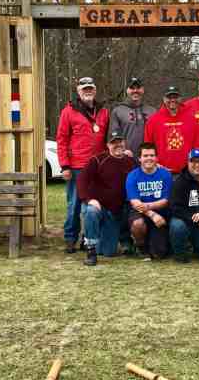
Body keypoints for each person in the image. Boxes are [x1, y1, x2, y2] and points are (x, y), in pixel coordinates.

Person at [56, 76, 110, 254]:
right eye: (84, 88)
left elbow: (108, 139)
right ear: (78, 92)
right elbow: (62, 139)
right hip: (76, 167)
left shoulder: (103, 112)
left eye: (90, 88)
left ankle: (88, 239)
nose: (88, 91)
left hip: (97, 168)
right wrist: (64, 165)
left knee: (92, 205)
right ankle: (70, 238)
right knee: (74, 205)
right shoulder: (68, 111)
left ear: (95, 90)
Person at [78, 131, 137, 266]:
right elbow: (81, 180)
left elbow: (143, 172)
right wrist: (88, 199)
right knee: (91, 211)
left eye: (120, 142)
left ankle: (107, 240)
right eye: (113, 143)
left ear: (124, 143)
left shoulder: (131, 161)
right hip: (98, 207)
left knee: (108, 252)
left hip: (114, 212)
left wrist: (157, 166)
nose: (117, 145)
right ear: (107, 145)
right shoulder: (97, 160)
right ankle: (90, 250)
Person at [125, 142, 173, 260]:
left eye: (152, 155)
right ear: (139, 159)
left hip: (161, 211)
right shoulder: (132, 175)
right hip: (140, 212)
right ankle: (140, 246)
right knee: (138, 224)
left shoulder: (165, 174)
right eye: (145, 156)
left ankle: (159, 243)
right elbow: (135, 202)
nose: (149, 158)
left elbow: (166, 200)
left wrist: (150, 208)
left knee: (159, 254)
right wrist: (152, 214)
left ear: (156, 158)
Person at [144, 86, 199, 177]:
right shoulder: (153, 121)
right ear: (163, 99)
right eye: (169, 97)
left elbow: (197, 145)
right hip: (160, 171)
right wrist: (154, 164)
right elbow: (147, 147)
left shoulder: (192, 119)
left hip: (187, 172)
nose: (172, 100)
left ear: (181, 98)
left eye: (175, 97)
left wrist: (194, 165)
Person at [110, 77, 156, 158]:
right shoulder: (118, 111)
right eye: (132, 88)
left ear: (143, 90)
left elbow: (158, 137)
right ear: (127, 90)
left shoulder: (152, 111)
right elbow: (113, 138)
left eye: (138, 88)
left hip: (148, 159)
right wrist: (122, 151)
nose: (135, 91)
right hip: (126, 157)